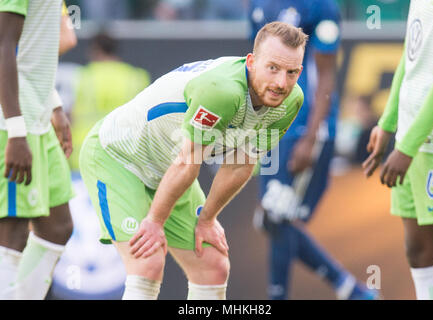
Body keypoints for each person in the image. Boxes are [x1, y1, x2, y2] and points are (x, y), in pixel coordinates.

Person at [79, 21, 307, 300]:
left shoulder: (291, 100)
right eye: (273, 68)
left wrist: (208, 219)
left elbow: (241, 163)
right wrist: (154, 221)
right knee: (147, 262)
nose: (281, 83)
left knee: (213, 266)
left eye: (291, 72)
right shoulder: (222, 91)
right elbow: (188, 163)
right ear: (251, 62)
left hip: (168, 168)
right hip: (118, 157)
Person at [249, 0, 379, 300]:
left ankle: (346, 291)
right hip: (271, 125)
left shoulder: (320, 6)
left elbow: (326, 74)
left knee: (278, 215)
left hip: (306, 125)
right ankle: (352, 290)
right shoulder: (256, 4)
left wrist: (312, 136)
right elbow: (253, 68)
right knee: (273, 217)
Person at [363, 0, 433, 300]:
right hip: (412, 139)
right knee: (420, 251)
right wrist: (388, 123)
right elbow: (410, 57)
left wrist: (408, 146)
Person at [0, 0, 75, 299]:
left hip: (37, 115)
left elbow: (30, 48)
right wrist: (16, 130)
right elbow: (3, 44)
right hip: (14, 123)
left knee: (58, 226)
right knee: (13, 234)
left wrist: (55, 106)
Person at [69, 32, 150, 170]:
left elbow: (72, 116)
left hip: (86, 153)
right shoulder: (136, 77)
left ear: (95, 50)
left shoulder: (85, 76)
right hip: (124, 155)